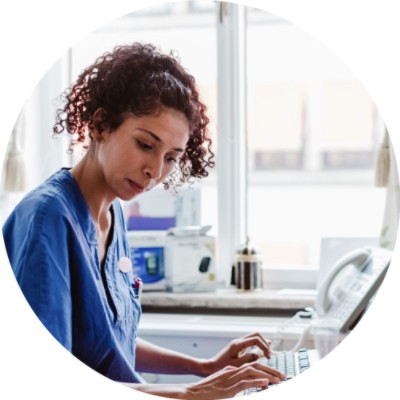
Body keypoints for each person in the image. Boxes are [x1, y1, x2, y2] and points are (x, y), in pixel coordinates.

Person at [2, 42, 285, 399]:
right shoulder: (47, 218)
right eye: (145, 145)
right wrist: (189, 393)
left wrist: (204, 368)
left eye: (171, 157)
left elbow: (109, 343)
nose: (155, 171)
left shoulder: (113, 212)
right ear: (101, 125)